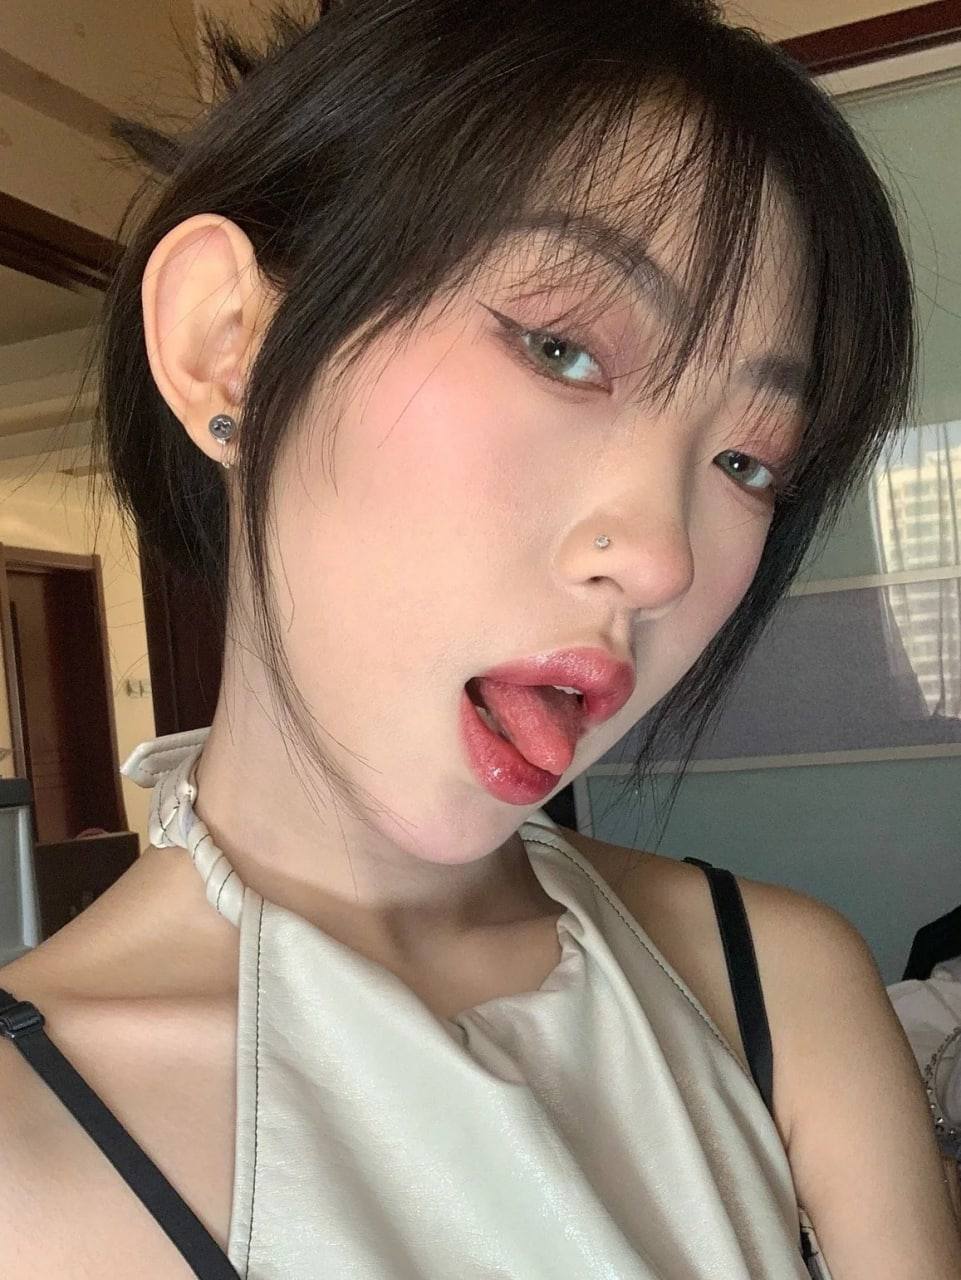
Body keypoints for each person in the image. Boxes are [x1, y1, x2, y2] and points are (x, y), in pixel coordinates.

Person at [1, 1, 959, 1276]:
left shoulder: (780, 981)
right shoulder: (26, 1139)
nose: (663, 557)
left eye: (747, 461)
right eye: (562, 349)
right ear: (227, 343)